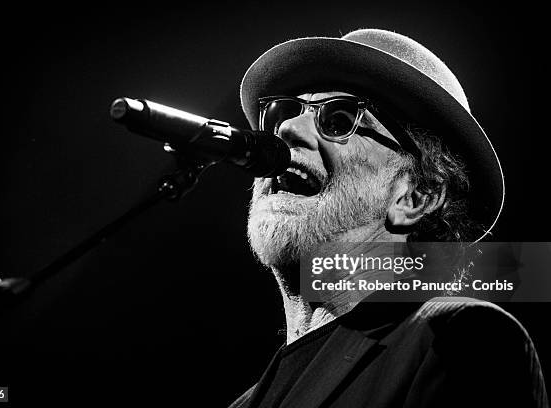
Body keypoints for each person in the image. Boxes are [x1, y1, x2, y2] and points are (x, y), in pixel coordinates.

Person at [229, 29, 548, 408]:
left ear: (415, 197)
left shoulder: (462, 338)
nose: (286, 130)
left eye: (340, 118)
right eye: (283, 113)